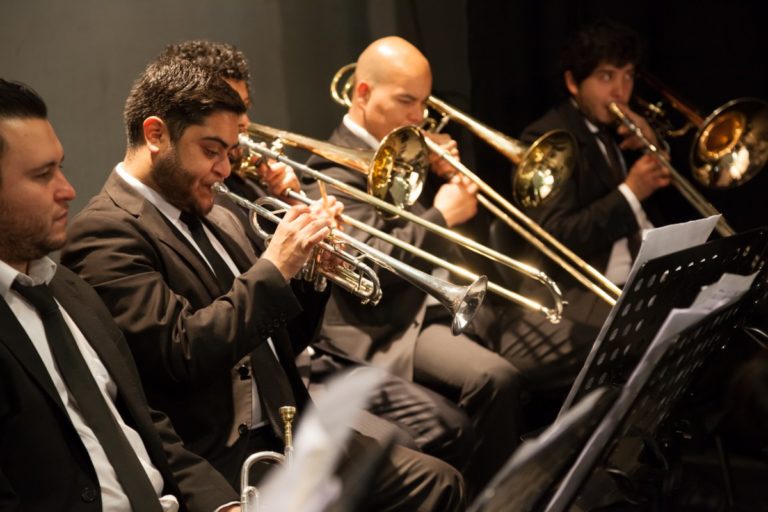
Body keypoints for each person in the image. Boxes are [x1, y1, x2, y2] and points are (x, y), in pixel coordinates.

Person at [61, 56, 464, 510]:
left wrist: (312, 273)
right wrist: (276, 267)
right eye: (211, 151)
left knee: (439, 483)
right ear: (155, 135)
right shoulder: (106, 232)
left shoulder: (219, 212)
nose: (225, 169)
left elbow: (282, 340)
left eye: (229, 153)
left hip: (289, 424)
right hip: (223, 455)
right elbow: (182, 351)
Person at [161, 38, 476, 472]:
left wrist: (303, 229)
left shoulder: (251, 186)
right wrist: (292, 245)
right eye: (230, 110)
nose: (245, 124)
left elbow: (297, 311)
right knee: (437, 435)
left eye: (245, 108)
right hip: (298, 375)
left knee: (452, 428)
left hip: (309, 353)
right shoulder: (205, 197)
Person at [0, 79, 241, 511]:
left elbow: (147, 426)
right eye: (42, 175)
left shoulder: (69, 290)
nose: (67, 190)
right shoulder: (103, 240)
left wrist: (225, 505)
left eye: (60, 167)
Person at [304, 35, 523, 491]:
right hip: (386, 324)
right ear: (362, 93)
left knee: (516, 335)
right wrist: (442, 213)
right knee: (496, 378)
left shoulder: (403, 150)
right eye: (406, 101)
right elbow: (374, 263)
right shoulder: (330, 168)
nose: (419, 117)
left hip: (428, 306)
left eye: (423, 103)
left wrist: (438, 181)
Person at [519, 20, 671, 328]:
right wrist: (631, 192)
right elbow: (558, 237)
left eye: (628, 76)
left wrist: (653, 146)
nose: (621, 92)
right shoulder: (548, 138)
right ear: (573, 83)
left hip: (643, 278)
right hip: (581, 293)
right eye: (606, 77)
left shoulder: (619, 128)